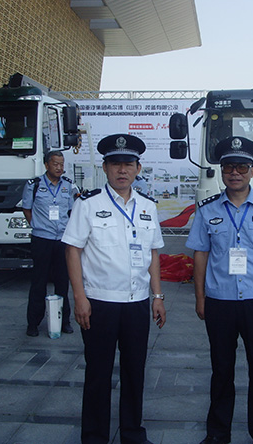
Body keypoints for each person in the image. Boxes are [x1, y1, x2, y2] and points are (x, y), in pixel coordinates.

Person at [186, 136, 253, 444]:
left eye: (242, 167)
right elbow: (200, 255)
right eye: (229, 167)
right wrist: (200, 297)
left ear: (252, 171)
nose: (235, 173)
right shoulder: (207, 210)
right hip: (220, 300)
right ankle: (218, 433)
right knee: (221, 370)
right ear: (222, 171)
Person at [62, 133, 165, 444]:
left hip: (137, 303)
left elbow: (153, 253)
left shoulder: (148, 206)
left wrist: (157, 296)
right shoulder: (88, 204)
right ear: (105, 168)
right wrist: (79, 297)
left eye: (128, 164)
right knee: (98, 374)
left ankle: (133, 434)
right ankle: (95, 437)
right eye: (116, 164)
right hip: (100, 302)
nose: (122, 170)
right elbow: (72, 250)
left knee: (135, 372)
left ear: (138, 168)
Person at [22, 150, 78, 337]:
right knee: (39, 282)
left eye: (61, 164)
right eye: (55, 164)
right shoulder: (34, 185)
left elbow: (71, 211)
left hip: (62, 240)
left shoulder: (68, 185)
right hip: (42, 239)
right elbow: (27, 209)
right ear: (46, 165)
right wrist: (38, 226)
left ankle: (64, 322)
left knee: (62, 282)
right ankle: (33, 323)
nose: (59, 168)